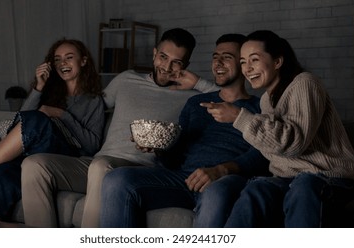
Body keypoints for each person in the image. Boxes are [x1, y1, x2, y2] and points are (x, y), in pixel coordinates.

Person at [20, 28, 218, 227]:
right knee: (34, 165)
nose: (166, 67)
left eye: (177, 62)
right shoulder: (126, 79)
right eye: (163, 57)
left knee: (101, 167)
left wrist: (198, 83)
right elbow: (86, 110)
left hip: (139, 170)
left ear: (186, 66)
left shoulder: (191, 96)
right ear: (154, 53)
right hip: (98, 161)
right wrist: (39, 91)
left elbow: (235, 100)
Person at [99, 33, 269, 228]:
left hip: (225, 179)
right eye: (215, 57)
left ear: (243, 63)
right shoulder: (195, 103)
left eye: (227, 57)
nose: (218, 63)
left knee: (215, 193)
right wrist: (158, 148)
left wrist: (220, 170)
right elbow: (175, 158)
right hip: (184, 178)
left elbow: (263, 154)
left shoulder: (259, 107)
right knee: (116, 179)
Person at [202, 30, 354, 227]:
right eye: (243, 62)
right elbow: (272, 148)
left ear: (277, 62)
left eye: (254, 60)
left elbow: (294, 143)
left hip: (326, 176)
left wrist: (238, 117)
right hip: (287, 179)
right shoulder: (267, 99)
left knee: (303, 185)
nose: (247, 69)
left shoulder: (304, 83)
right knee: (256, 189)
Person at [0, 38, 105, 222]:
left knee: (39, 118)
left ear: (83, 61)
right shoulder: (49, 93)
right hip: (32, 155)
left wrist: (61, 114)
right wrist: (38, 87)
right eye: (57, 59)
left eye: (69, 57)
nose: (63, 63)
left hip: (64, 155)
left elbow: (92, 145)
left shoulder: (93, 101)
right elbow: (20, 124)